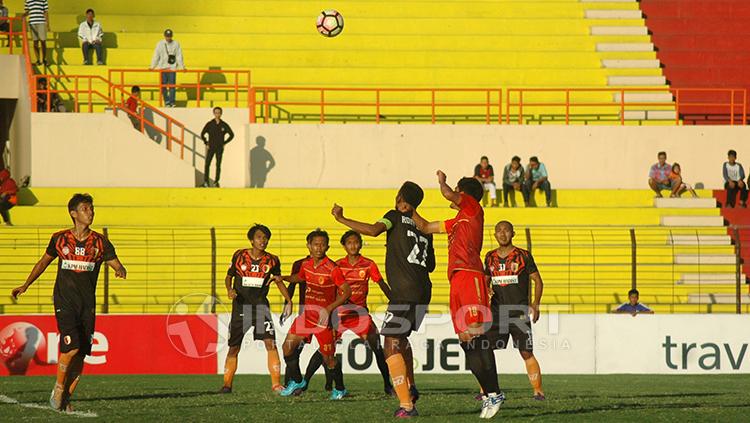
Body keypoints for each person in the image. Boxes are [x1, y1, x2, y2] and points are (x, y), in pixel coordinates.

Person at [10, 193, 127, 411]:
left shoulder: (100, 242)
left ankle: (65, 399)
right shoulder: (59, 239)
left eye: (91, 208)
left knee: (81, 353)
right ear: (73, 213)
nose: (90, 212)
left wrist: (120, 269)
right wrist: (26, 285)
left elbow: (115, 263)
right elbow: (43, 262)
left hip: (87, 305)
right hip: (64, 300)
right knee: (71, 347)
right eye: (85, 209)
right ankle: (58, 388)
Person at [332, 181, 435, 418]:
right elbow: (430, 265)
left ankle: (406, 406)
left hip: (404, 292)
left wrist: (342, 219)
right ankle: (410, 386)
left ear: (400, 199)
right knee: (401, 339)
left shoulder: (394, 216)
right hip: (423, 291)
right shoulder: (425, 227)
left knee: (390, 344)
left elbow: (373, 230)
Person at [411, 171, 504, 419]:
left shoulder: (473, 208)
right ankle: (488, 394)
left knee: (476, 333)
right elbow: (426, 227)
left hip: (471, 274)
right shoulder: (459, 219)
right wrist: (409, 209)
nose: (455, 193)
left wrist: (442, 181)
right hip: (456, 279)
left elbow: (448, 193)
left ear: (465, 193)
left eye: (458, 190)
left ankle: (494, 391)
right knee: (466, 340)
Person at [303, 230, 394, 395]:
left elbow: (381, 282)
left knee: (377, 347)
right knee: (325, 350)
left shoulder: (368, 264)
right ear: (344, 246)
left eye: (356, 242)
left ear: (360, 244)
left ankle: (388, 385)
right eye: (349, 243)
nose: (353, 245)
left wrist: (393, 299)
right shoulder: (336, 265)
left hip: (359, 314)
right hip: (340, 314)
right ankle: (306, 383)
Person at [277, 229, 351, 400]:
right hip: (306, 317)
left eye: (323, 244)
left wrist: (329, 308)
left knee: (329, 360)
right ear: (308, 246)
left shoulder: (333, 269)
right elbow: (300, 277)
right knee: (287, 348)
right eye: (316, 244)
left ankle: (339, 388)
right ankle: (297, 381)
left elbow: (346, 292)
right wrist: (284, 278)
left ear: (327, 247)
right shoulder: (306, 264)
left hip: (324, 320)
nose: (319, 248)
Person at [220, 224, 292, 394]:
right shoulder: (239, 255)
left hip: (260, 307)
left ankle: (276, 385)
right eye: (259, 237)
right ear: (252, 240)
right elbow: (229, 276)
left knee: (270, 343)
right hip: (241, 307)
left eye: (266, 238)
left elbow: (278, 280)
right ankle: (227, 385)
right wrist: (229, 290)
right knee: (234, 347)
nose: (263, 241)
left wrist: (288, 300)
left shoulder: (272, 260)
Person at [484, 220, 546, 401]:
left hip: (518, 312)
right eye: (499, 231)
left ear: (513, 233)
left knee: (526, 352)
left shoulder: (523, 255)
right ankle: (485, 391)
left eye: (506, 231)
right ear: (494, 235)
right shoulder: (489, 257)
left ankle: (538, 391)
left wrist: (535, 304)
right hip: (496, 312)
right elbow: (484, 281)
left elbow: (538, 281)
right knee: (485, 349)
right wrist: (485, 292)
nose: (502, 234)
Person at [149, 29, 184, 107]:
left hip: (172, 67)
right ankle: (167, 101)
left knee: (172, 86)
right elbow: (156, 55)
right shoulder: (160, 44)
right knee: (163, 86)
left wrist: (182, 67)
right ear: (164, 36)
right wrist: (152, 66)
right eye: (167, 36)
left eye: (170, 36)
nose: (168, 38)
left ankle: (172, 102)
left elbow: (179, 55)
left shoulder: (176, 44)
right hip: (162, 67)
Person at [200, 107, 234, 187]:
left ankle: (216, 182)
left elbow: (232, 135)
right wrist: (206, 143)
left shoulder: (224, 125)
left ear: (221, 114)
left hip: (219, 148)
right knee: (207, 164)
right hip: (211, 147)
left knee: (218, 165)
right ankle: (206, 182)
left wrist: (224, 143)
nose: (217, 114)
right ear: (214, 113)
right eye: (216, 113)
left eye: (219, 113)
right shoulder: (210, 124)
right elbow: (202, 134)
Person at [24, 0, 49, 66]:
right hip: (32, 22)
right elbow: (27, 11)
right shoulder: (27, 0)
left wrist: (47, 24)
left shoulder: (43, 0)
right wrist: (23, 15)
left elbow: (46, 12)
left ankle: (44, 59)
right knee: (35, 42)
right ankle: (38, 60)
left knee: (43, 41)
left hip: (41, 22)